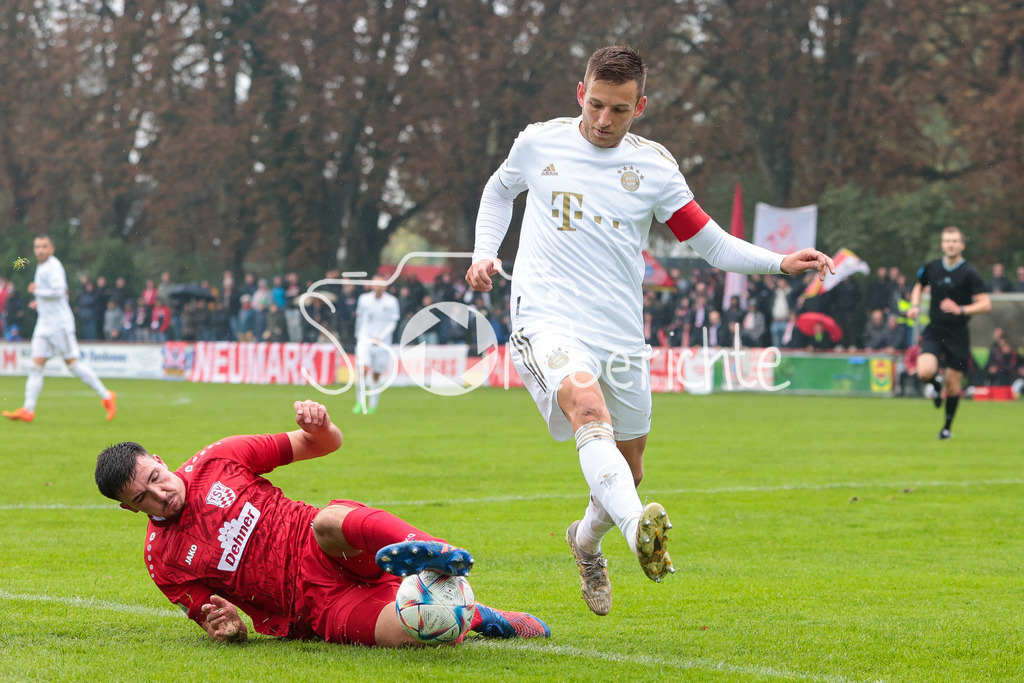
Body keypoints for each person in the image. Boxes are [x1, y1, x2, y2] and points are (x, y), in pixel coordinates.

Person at [465, 45, 834, 616]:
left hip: (618, 332)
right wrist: (485, 252)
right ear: (579, 94)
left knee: (630, 467)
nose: (603, 120)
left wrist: (779, 262)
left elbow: (709, 242)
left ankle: (585, 540)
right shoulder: (539, 142)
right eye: (594, 105)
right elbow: (498, 191)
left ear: (641, 105)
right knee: (586, 407)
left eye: (618, 109)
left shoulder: (655, 167)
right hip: (545, 317)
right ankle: (642, 528)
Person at [93, 399, 549, 646]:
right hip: (312, 607)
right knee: (416, 629)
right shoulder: (163, 562)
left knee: (328, 519)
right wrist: (223, 626)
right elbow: (214, 617)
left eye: (156, 477)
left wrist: (319, 424)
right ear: (129, 509)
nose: (161, 494)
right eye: (143, 497)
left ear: (158, 460)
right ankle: (481, 615)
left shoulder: (219, 458)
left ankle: (435, 550)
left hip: (324, 543)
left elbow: (324, 444)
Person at [3, 235, 117, 423]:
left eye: (44, 246)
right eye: (37, 246)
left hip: (59, 325)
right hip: (44, 324)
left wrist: (36, 292)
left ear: (51, 249)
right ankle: (28, 410)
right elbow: (50, 295)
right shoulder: (41, 267)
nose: (40, 250)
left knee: (73, 365)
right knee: (35, 366)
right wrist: (38, 302)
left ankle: (106, 396)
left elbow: (59, 291)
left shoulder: (54, 266)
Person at [908, 226, 991, 440]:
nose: (950, 244)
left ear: (962, 245)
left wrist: (961, 309)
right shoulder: (932, 267)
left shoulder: (970, 272)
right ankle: (935, 387)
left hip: (958, 333)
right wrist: (915, 305)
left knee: (953, 386)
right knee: (924, 372)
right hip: (935, 329)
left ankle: (946, 429)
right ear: (942, 244)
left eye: (954, 241)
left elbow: (985, 304)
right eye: (947, 241)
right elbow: (918, 286)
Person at [352, 278, 400, 415]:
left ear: (386, 287)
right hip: (364, 339)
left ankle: (373, 405)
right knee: (363, 370)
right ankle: (360, 403)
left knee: (376, 375)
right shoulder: (364, 299)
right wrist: (358, 335)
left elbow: (393, 322)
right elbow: (360, 318)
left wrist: (381, 337)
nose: (378, 287)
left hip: (382, 343)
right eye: (376, 284)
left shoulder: (391, 301)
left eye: (381, 285)